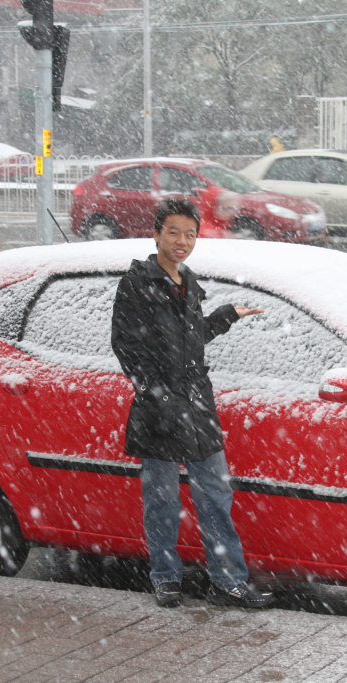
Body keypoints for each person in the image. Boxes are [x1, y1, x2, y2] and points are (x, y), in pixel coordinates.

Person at [111, 198, 274, 610]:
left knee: (215, 496)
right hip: (159, 407)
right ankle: (166, 578)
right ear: (156, 234)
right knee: (162, 499)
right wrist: (157, 393)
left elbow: (190, 340)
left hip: (197, 404)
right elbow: (126, 345)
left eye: (190, 234)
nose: (182, 242)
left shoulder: (189, 280)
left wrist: (225, 315)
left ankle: (228, 582)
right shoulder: (137, 282)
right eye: (173, 233)